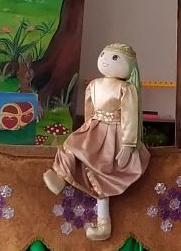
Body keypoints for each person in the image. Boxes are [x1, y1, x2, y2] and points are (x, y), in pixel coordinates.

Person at [43, 43, 150, 240]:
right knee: (70, 144)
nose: (105, 60)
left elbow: (130, 117)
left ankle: (103, 224)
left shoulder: (126, 88)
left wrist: (128, 145)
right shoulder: (94, 84)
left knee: (102, 173)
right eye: (103, 55)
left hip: (115, 134)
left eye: (115, 58)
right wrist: (87, 129)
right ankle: (60, 177)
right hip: (95, 127)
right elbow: (89, 109)